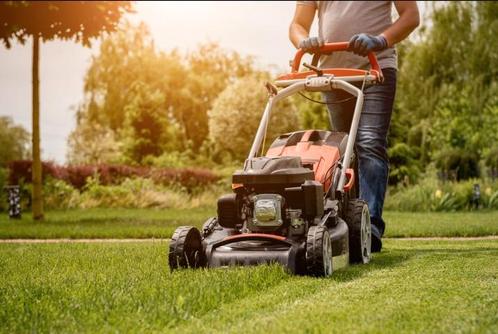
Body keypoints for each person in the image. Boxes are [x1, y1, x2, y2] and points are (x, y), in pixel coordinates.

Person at [289, 1, 420, 252]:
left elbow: (411, 17)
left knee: (369, 142)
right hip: (334, 75)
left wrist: (381, 40)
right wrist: (304, 41)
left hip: (375, 68)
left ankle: (370, 225)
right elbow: (297, 25)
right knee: (346, 152)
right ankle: (350, 223)